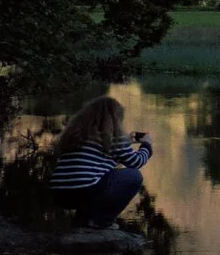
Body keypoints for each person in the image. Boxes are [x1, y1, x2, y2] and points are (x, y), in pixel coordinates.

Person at [50, 96, 153, 230]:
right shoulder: (114, 137)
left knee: (91, 178)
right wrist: (147, 145)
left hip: (59, 194)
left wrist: (126, 141)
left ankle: (83, 220)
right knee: (133, 176)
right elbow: (136, 162)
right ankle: (102, 221)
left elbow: (98, 158)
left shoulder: (76, 134)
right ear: (115, 118)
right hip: (83, 191)